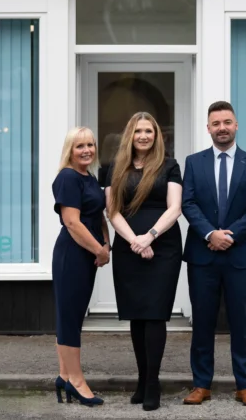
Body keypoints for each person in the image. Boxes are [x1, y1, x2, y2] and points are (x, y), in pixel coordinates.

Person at [181, 101, 246, 407]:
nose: (222, 128)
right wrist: (210, 234)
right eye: (216, 123)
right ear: (208, 128)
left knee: (241, 323)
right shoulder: (193, 163)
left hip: (241, 255)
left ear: (236, 125)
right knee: (202, 322)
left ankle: (244, 385)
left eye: (227, 122)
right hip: (203, 255)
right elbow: (188, 203)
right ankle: (200, 384)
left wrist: (229, 235)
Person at [105, 112, 183, 412]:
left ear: (156, 135)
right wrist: (134, 242)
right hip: (128, 248)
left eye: (149, 131)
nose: (143, 136)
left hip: (163, 247)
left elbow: (175, 208)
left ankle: (153, 383)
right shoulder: (114, 168)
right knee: (137, 315)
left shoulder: (170, 166)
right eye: (138, 131)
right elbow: (112, 212)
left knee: (154, 314)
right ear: (130, 135)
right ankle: (141, 379)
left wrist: (148, 237)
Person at [52, 127, 111, 407]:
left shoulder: (90, 177)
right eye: (80, 146)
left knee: (73, 316)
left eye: (90, 144)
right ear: (70, 150)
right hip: (72, 255)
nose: (86, 150)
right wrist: (98, 249)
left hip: (88, 254)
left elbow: (97, 215)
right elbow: (72, 222)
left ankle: (64, 376)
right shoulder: (67, 177)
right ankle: (76, 381)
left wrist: (106, 243)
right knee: (70, 318)